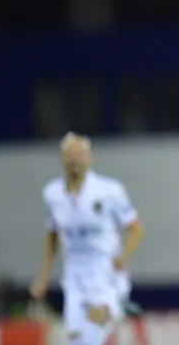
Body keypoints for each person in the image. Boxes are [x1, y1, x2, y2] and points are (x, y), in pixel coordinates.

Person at [30, 132, 144, 345]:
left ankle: (117, 301)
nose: (74, 159)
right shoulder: (52, 194)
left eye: (80, 154)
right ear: (61, 159)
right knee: (78, 340)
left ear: (90, 158)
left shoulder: (110, 190)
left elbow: (137, 230)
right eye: (70, 154)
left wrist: (123, 256)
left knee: (95, 323)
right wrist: (43, 277)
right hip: (74, 275)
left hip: (105, 270)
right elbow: (52, 235)